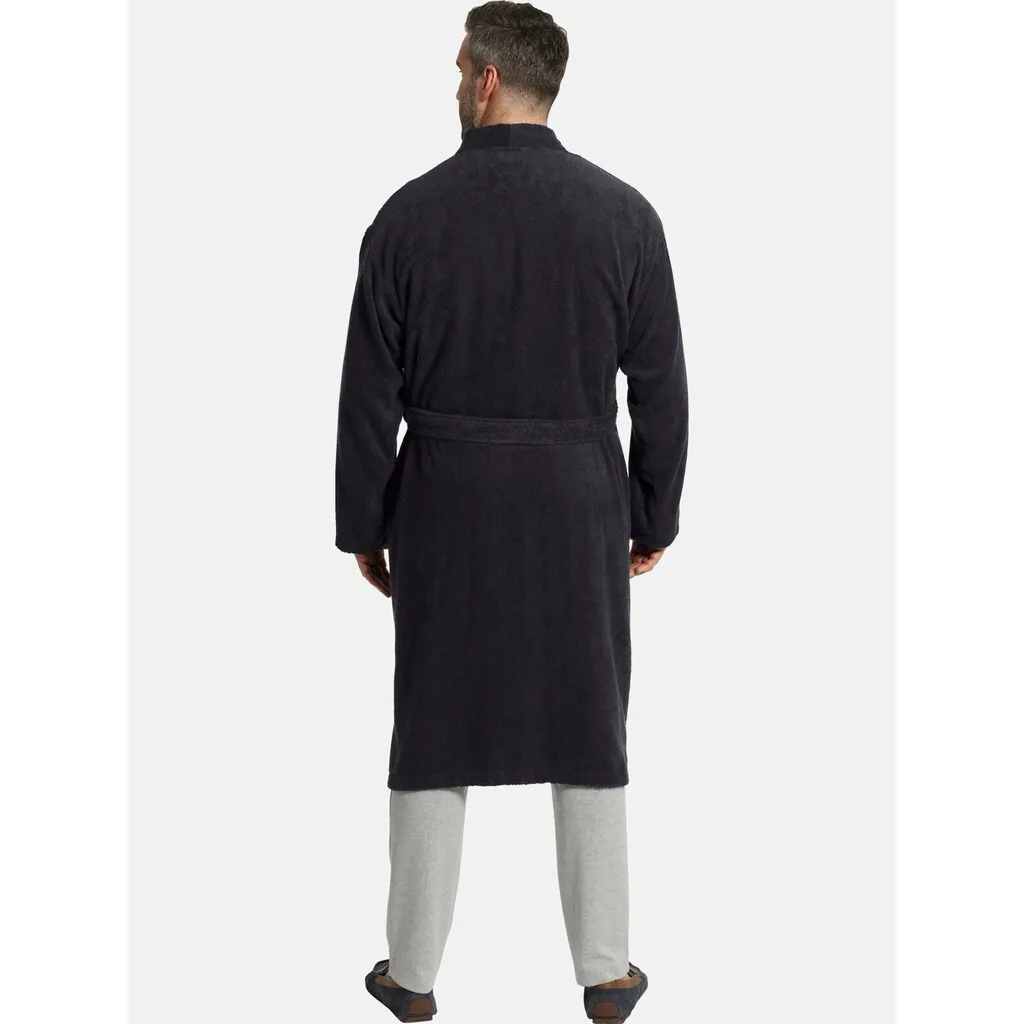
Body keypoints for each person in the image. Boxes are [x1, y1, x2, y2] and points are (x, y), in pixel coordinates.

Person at [334, 3, 688, 1020]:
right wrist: (652, 513)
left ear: (486, 80)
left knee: (432, 727)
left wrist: (367, 523)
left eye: (460, 69)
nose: (456, 84)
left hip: (445, 503)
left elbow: (368, 395)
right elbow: (660, 389)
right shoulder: (624, 216)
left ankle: (410, 973)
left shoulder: (407, 217)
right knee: (589, 723)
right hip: (578, 505)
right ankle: (607, 972)